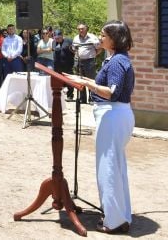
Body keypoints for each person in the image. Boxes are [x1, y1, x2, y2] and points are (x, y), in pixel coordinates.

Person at [68, 20, 135, 234]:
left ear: (115, 39)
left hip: (113, 115)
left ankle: (113, 221)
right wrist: (84, 79)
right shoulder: (117, 58)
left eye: (103, 35)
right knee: (116, 168)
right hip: (116, 115)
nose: (100, 38)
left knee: (108, 169)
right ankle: (121, 216)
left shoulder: (116, 62)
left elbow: (111, 91)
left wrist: (87, 84)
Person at [73, 23, 103, 103]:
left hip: (89, 61)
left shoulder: (92, 37)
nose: (80, 30)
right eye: (79, 29)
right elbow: (74, 49)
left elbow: (100, 48)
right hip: (79, 61)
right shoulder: (76, 38)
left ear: (86, 29)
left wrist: (94, 55)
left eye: (82, 29)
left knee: (90, 80)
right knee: (80, 80)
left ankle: (92, 98)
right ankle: (83, 99)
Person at [52, 30, 76, 100]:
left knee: (69, 81)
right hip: (57, 66)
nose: (57, 39)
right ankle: (59, 96)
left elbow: (74, 51)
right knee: (58, 81)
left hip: (67, 65)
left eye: (58, 38)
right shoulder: (54, 42)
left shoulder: (69, 41)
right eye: (56, 38)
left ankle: (70, 95)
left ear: (62, 36)